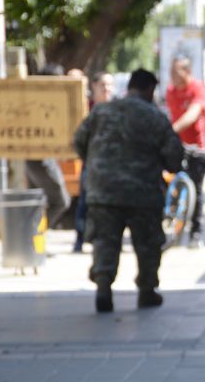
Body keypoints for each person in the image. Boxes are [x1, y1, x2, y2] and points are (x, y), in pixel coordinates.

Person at [73, 69, 183, 313]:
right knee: (147, 243)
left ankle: (103, 287)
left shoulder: (101, 111)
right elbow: (174, 159)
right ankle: (146, 290)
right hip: (142, 193)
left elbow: (78, 142)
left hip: (102, 191)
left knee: (105, 240)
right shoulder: (155, 117)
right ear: (150, 90)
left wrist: (97, 165)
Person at [166, 56, 205, 248]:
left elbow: (192, 115)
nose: (172, 77)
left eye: (176, 72)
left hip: (199, 147)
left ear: (187, 72)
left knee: (197, 188)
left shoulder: (197, 89)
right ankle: (170, 215)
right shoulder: (170, 91)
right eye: (171, 72)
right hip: (178, 145)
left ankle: (196, 232)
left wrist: (171, 129)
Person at [73, 71, 116, 253]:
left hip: (113, 165)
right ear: (94, 87)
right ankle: (80, 240)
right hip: (91, 164)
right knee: (85, 202)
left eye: (109, 85)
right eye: (102, 85)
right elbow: (79, 140)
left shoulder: (118, 109)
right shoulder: (86, 109)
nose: (106, 89)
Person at [26, 63, 72, 228]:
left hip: (39, 157)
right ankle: (33, 236)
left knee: (38, 203)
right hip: (40, 158)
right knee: (61, 201)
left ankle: (32, 239)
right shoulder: (40, 102)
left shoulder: (38, 99)